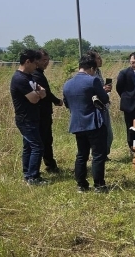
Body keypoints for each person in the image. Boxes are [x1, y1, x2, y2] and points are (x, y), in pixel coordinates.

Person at [63, 54, 110, 193]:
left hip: (77, 124)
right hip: (93, 123)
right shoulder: (93, 80)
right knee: (98, 155)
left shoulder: (67, 83)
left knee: (81, 155)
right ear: (91, 68)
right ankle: (99, 186)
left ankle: (81, 185)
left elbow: (67, 104)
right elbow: (105, 99)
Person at [10, 49, 48, 185]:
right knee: (38, 147)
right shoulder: (19, 79)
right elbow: (34, 99)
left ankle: (28, 173)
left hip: (32, 117)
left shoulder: (29, 77)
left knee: (29, 147)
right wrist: (39, 94)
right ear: (27, 61)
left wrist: (39, 93)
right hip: (25, 119)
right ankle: (33, 177)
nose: (36, 66)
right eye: (35, 63)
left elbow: (43, 92)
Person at [32, 49, 63, 173]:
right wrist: (57, 101)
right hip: (41, 113)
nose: (46, 63)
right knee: (43, 140)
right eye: (44, 60)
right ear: (36, 61)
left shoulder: (39, 73)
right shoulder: (36, 74)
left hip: (44, 112)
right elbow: (46, 93)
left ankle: (49, 164)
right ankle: (48, 166)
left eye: (48, 60)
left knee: (46, 140)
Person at [87, 50, 113, 159]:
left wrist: (105, 91)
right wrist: (102, 89)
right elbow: (89, 91)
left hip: (104, 106)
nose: (100, 60)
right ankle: (99, 155)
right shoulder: (90, 74)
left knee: (108, 134)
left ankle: (103, 154)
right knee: (101, 133)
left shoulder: (98, 72)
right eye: (98, 58)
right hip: (96, 108)